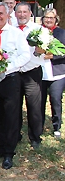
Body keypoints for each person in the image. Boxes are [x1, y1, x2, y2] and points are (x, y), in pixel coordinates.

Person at [0, 2, 30, 170]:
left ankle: (9, 152)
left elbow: (25, 55)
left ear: (8, 14)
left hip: (11, 79)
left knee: (10, 116)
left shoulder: (16, 34)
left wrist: (6, 67)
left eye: (1, 14)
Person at [15, 2, 44, 148]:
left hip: (32, 73)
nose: (21, 15)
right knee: (14, 106)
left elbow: (48, 50)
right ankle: (15, 134)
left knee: (33, 107)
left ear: (30, 13)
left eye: (24, 12)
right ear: (15, 14)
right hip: (15, 73)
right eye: (19, 12)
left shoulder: (38, 30)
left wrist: (42, 50)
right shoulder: (12, 30)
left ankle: (35, 137)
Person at [39, 8, 65, 139]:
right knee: (40, 101)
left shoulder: (61, 33)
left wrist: (52, 56)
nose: (48, 20)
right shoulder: (38, 32)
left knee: (55, 99)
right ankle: (39, 127)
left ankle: (56, 126)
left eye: (51, 18)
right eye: (46, 17)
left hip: (57, 73)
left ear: (56, 19)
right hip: (41, 73)